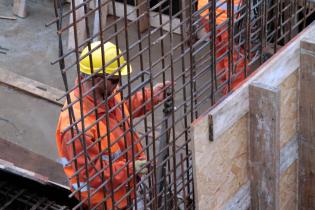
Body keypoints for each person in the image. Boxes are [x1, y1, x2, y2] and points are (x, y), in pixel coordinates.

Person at [56, 41, 171, 209]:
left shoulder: (105, 93)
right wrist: (131, 169)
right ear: (96, 78)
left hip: (124, 189)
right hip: (104, 202)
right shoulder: (77, 128)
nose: (118, 84)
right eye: (115, 79)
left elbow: (122, 109)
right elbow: (93, 175)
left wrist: (151, 96)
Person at [197, 0, 247, 93]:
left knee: (220, 50)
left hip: (206, 13)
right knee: (233, 53)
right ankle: (235, 88)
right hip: (226, 17)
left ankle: (227, 82)